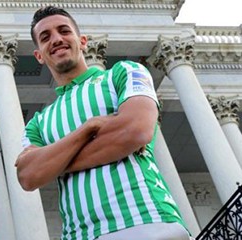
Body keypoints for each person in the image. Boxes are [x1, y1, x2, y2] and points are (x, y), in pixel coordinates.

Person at [16, 6, 189, 240]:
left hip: (146, 222)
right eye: (45, 37)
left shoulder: (122, 73)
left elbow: (135, 131)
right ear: (39, 55)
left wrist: (53, 162)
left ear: (83, 41)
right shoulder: (38, 122)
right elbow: (28, 176)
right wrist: (89, 128)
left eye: (64, 31)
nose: (56, 39)